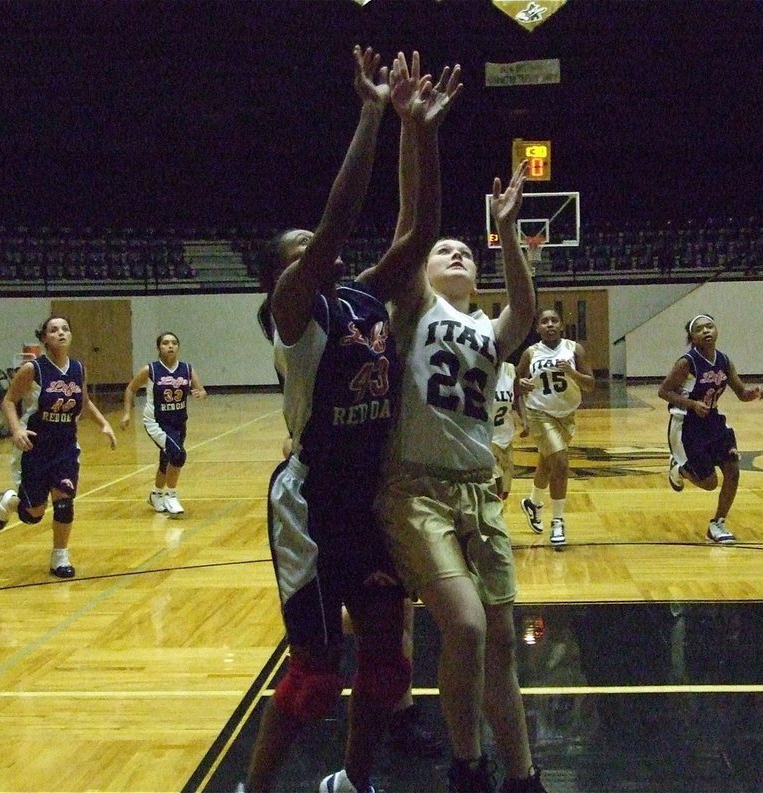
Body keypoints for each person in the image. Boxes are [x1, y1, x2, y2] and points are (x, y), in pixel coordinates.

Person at [244, 47, 460, 793]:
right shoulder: (293, 319)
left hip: (362, 503)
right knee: (313, 675)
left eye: (315, 247)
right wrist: (372, 112)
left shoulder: (364, 297)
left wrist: (421, 130)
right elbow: (337, 220)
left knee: (388, 659)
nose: (315, 249)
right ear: (281, 279)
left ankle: (352, 781)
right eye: (298, 251)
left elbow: (422, 229)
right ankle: (259, 784)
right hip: (307, 505)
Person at [376, 155, 548, 792]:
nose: (454, 253)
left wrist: (508, 235)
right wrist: (417, 140)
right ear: (420, 268)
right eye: (442, 249)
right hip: (415, 490)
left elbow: (523, 313)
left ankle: (523, 775)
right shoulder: (414, 309)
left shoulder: (486, 326)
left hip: (479, 489)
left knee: (501, 638)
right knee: (468, 626)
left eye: (466, 252)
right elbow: (411, 228)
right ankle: (467, 764)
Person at [0, 316, 117, 578]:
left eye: (65, 329)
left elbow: (83, 401)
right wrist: (16, 430)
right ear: (44, 338)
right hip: (36, 446)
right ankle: (11, 502)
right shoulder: (33, 369)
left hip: (66, 447)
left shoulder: (78, 368)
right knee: (34, 514)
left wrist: (104, 424)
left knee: (64, 502)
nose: (60, 333)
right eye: (53, 330)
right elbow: (8, 401)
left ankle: (60, 556)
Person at [658, 313, 763, 544]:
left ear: (716, 330)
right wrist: (692, 404)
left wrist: (754, 393)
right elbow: (664, 392)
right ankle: (678, 468)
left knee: (733, 470)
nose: (706, 331)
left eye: (709, 326)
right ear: (692, 337)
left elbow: (741, 393)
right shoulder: (686, 362)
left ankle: (717, 523)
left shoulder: (724, 361)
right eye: (699, 329)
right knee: (709, 483)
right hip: (687, 423)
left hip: (713, 420)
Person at [517, 308, 595, 546]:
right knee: (560, 462)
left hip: (567, 414)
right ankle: (558, 521)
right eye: (544, 321)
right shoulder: (530, 353)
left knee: (547, 462)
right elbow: (516, 384)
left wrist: (572, 372)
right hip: (539, 412)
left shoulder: (574, 349)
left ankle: (532, 502)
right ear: (538, 328)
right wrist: (520, 387)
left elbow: (590, 385)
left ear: (561, 325)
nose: (549, 324)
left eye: (554, 320)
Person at [120, 332, 206, 517]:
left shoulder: (187, 369)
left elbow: (201, 390)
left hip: (179, 422)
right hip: (156, 422)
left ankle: (156, 494)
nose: (170, 346)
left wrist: (200, 394)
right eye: (166, 343)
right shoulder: (150, 370)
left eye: (174, 343)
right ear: (159, 347)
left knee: (166, 460)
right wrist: (127, 412)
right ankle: (171, 495)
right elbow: (130, 389)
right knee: (178, 455)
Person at [491, 360, 519, 501]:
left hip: (505, 437)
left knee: (504, 493)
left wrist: (524, 419)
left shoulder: (510, 369)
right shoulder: (474, 371)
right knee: (494, 489)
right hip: (485, 439)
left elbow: (518, 397)